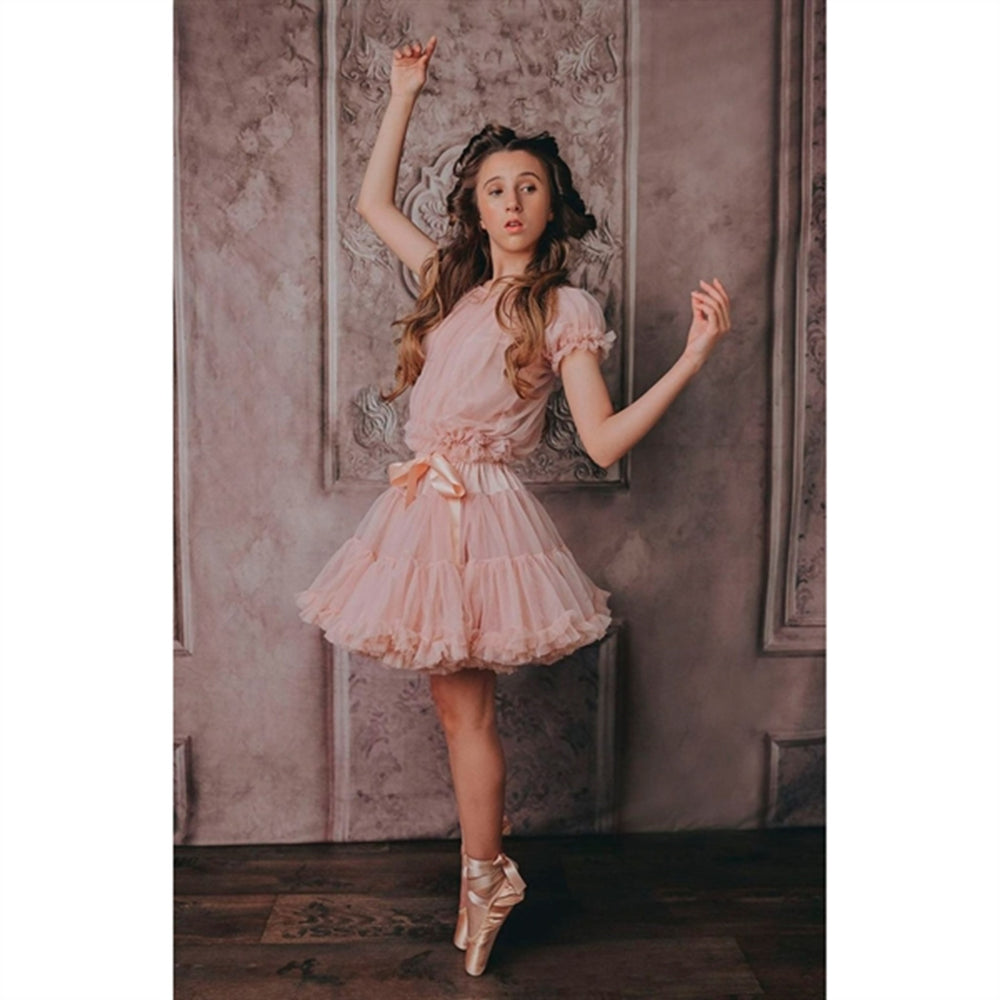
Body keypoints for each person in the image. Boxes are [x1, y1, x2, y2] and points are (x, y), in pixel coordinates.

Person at [296, 35, 731, 976]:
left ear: (550, 204)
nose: (512, 201)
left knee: (468, 713)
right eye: (496, 188)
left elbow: (603, 440)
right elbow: (372, 205)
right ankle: (484, 877)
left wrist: (692, 359)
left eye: (528, 186)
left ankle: (487, 876)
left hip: (480, 515)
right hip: (424, 507)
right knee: (456, 710)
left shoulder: (563, 307)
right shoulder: (452, 286)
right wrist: (403, 94)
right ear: (476, 207)